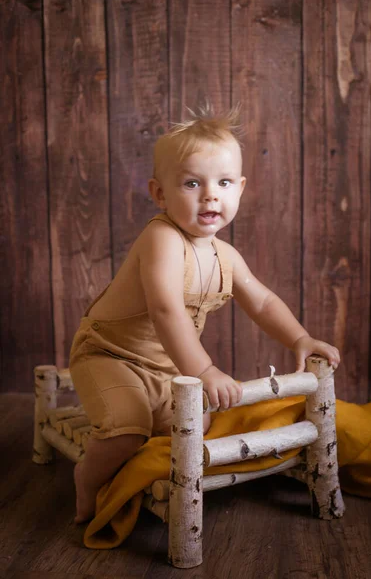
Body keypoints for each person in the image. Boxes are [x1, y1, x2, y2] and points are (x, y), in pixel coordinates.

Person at [70, 105, 340, 523]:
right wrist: (205, 369)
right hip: (110, 356)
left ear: (240, 189)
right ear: (160, 193)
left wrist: (298, 338)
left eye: (224, 182)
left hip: (165, 366)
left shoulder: (224, 256)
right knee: (126, 430)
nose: (210, 194)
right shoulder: (161, 239)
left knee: (201, 421)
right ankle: (87, 480)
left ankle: (145, 459)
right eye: (193, 183)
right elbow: (165, 309)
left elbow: (263, 301)